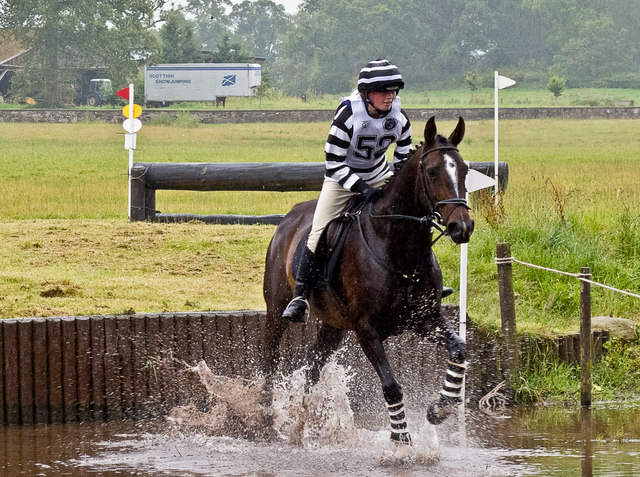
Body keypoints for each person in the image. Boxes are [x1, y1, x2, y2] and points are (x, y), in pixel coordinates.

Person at [282, 59, 412, 323]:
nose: (390, 97)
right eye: (383, 91)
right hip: (341, 180)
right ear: (366, 94)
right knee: (318, 230)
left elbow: (404, 158)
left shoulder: (399, 118)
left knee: (408, 218)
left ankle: (420, 282)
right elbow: (333, 162)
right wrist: (361, 188)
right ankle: (300, 296)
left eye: (393, 91)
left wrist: (396, 186)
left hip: (378, 174)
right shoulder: (348, 114)